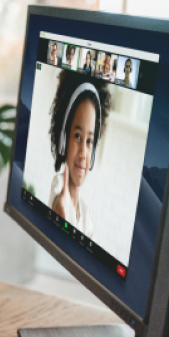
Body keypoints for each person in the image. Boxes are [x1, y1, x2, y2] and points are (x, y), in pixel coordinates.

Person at [48, 71, 112, 238]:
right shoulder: (59, 196)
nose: (84, 153)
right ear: (64, 139)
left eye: (89, 141)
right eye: (77, 136)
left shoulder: (84, 210)